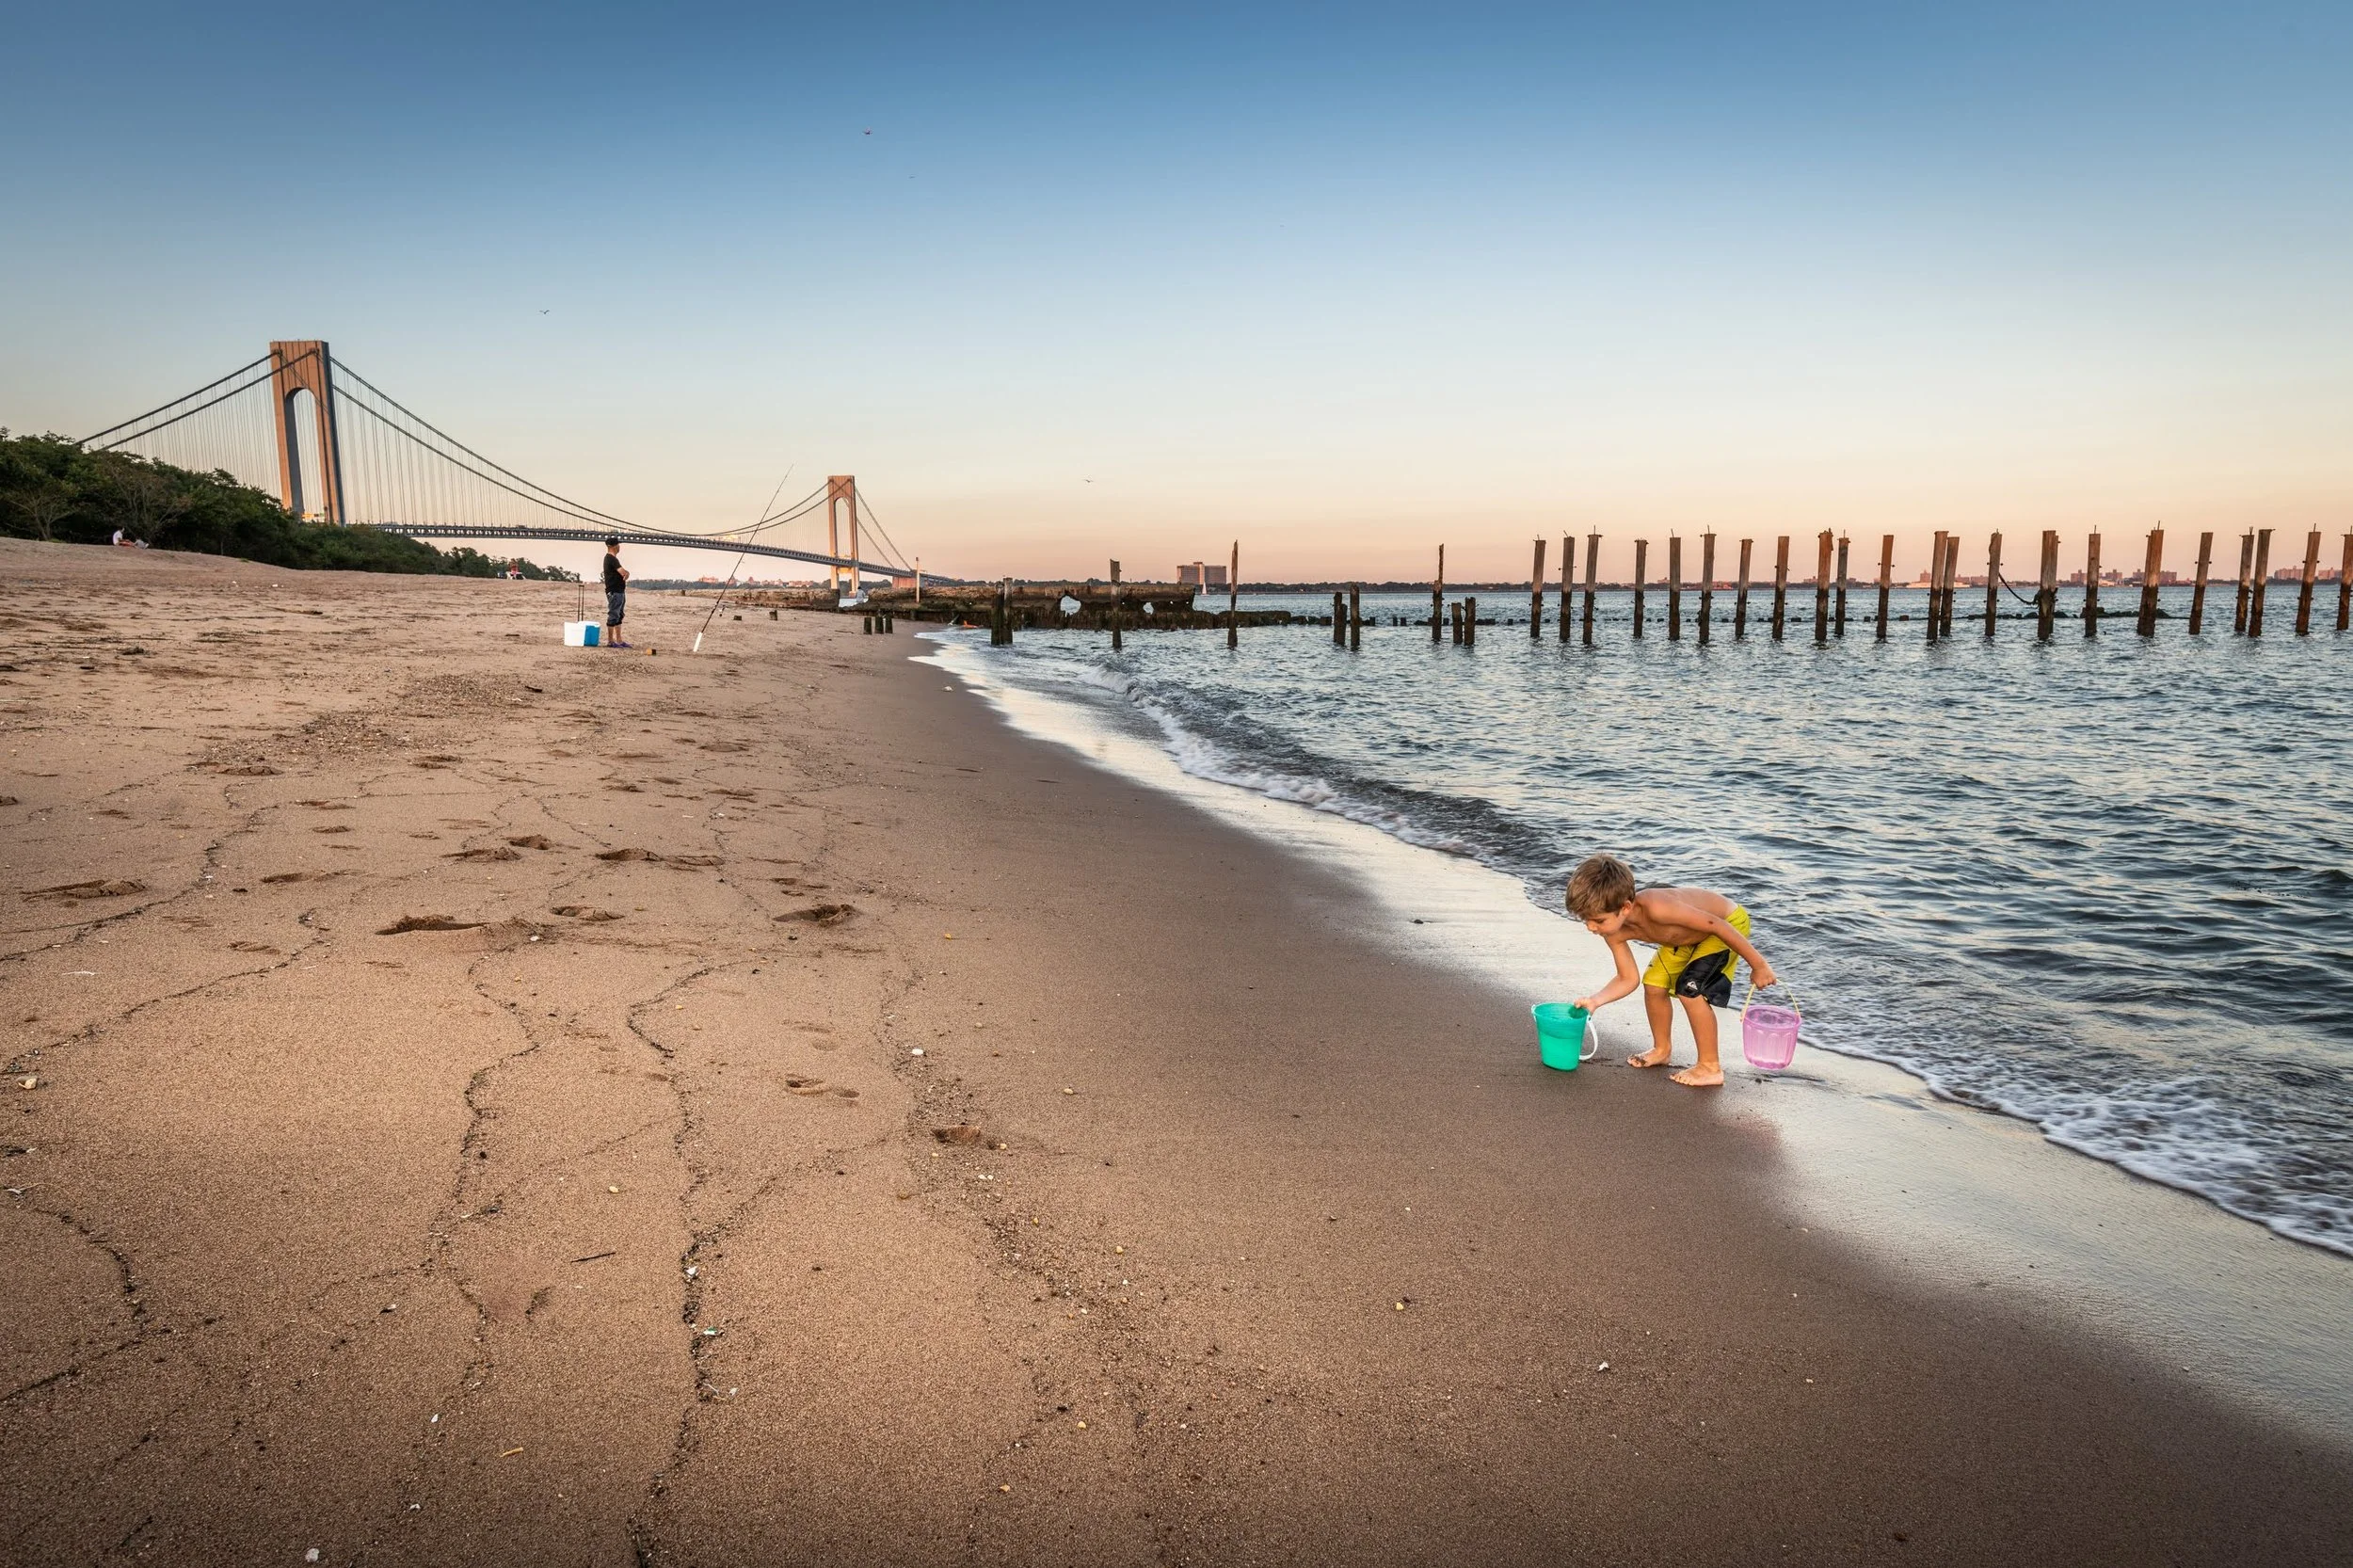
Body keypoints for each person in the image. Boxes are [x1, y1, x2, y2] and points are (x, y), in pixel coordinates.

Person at [1565, 854, 1779, 1087]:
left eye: (1598, 920)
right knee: (1654, 984)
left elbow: (1717, 925)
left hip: (1725, 925)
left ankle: (1710, 1067)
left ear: (1625, 907)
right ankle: (1662, 1049)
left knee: (1688, 990)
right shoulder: (1613, 932)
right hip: (1684, 939)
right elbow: (1628, 978)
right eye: (1585, 919)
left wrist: (1759, 965)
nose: (1590, 927)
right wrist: (1595, 1001)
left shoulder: (1658, 908)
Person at [600, 537, 632, 648]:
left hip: (619, 591)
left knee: (619, 615)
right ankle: (610, 641)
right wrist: (626, 573)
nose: (620, 547)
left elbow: (624, 573)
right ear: (614, 546)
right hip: (614, 591)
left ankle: (619, 640)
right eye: (618, 544)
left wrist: (626, 574)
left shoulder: (612, 559)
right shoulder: (611, 559)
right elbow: (623, 573)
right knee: (613, 615)